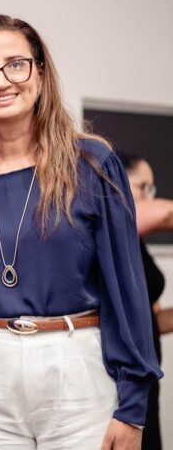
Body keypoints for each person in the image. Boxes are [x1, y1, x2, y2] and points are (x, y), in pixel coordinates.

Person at [0, 14, 162, 450]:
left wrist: (133, 405)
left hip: (77, 367)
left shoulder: (92, 163)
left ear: (41, 74)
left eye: (16, 64)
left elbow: (127, 289)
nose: (1, 80)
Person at [119, 152, 173, 450]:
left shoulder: (137, 245)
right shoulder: (114, 227)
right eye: (143, 187)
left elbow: (154, 320)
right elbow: (166, 214)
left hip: (148, 380)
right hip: (123, 386)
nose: (148, 197)